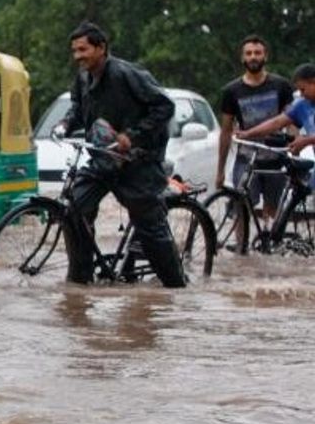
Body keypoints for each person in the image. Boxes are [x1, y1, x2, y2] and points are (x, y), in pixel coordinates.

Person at [51, 21, 186, 288]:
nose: (78, 56)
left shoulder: (127, 74)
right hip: (103, 158)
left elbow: (164, 106)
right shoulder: (83, 77)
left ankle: (176, 287)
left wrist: (132, 136)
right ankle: (80, 282)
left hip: (139, 161)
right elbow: (78, 108)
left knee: (149, 225)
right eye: (74, 51)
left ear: (101, 48)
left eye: (83, 49)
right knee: (76, 207)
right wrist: (65, 124)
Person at [216, 35, 295, 223]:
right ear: (243, 58)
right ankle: (241, 250)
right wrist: (220, 170)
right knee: (241, 208)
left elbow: (291, 120)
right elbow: (226, 131)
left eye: (257, 53)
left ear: (265, 56)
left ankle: (268, 248)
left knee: (273, 210)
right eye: (249, 53)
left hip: (275, 157)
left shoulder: (281, 85)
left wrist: (293, 147)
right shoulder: (231, 91)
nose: (253, 57)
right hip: (245, 159)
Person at [235, 63, 315, 188]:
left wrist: (307, 140)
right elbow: (276, 123)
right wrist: (248, 133)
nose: (302, 94)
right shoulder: (302, 105)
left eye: (303, 89)